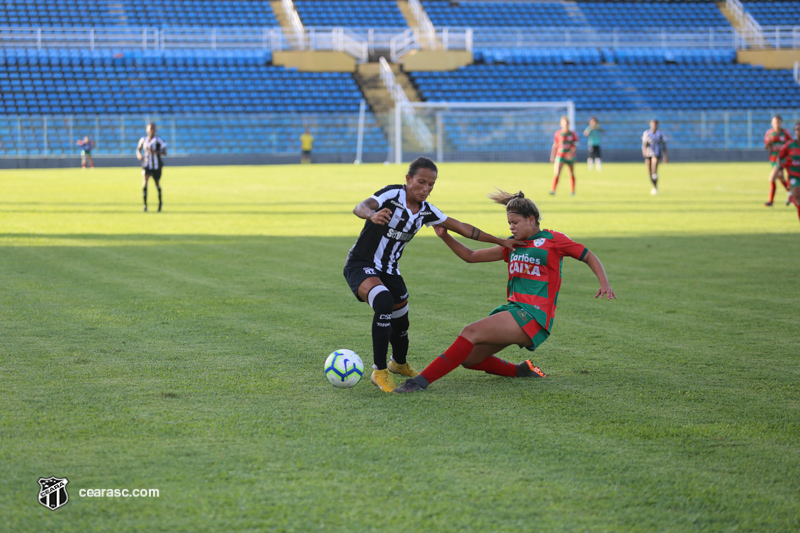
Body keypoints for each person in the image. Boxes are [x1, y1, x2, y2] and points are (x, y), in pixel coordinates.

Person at [394, 189, 616, 394]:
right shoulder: (512, 245)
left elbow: (588, 255)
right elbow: (471, 256)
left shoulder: (553, 240)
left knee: (470, 332)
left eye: (515, 222)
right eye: (509, 223)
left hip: (534, 314)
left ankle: (419, 382)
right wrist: (445, 236)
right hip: (514, 310)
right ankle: (521, 370)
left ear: (532, 219)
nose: (511, 227)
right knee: (470, 359)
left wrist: (604, 282)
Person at [344, 157, 524, 393]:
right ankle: (379, 371)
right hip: (362, 264)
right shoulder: (391, 195)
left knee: (401, 321)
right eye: (421, 182)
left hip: (390, 271)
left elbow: (462, 227)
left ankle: (398, 363)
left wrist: (500, 241)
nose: (426, 189)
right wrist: (371, 215)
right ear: (408, 179)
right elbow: (360, 206)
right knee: (384, 302)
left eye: (431, 185)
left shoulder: (426, 211)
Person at [135, 122, 167, 212]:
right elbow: (138, 149)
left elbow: (165, 152)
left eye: (153, 129)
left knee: (157, 184)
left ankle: (160, 203)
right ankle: (145, 206)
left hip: (156, 166)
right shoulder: (143, 140)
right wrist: (139, 155)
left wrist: (155, 152)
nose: (151, 131)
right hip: (146, 165)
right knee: (144, 182)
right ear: (147, 130)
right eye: (150, 129)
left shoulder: (158, 140)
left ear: (155, 130)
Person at [763, 115, 792, 207]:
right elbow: (766, 147)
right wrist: (768, 142)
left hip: (782, 159)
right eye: (775, 122)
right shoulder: (769, 133)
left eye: (778, 122)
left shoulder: (785, 133)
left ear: (781, 123)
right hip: (773, 159)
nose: (777, 124)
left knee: (772, 178)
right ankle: (792, 193)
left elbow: (792, 144)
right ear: (772, 123)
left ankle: (771, 201)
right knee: (781, 178)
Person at [549, 115, 578, 195]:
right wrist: (552, 156)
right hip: (560, 156)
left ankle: (572, 191)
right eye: (564, 123)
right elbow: (555, 145)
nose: (566, 125)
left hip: (569, 157)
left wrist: (571, 153)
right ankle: (553, 190)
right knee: (557, 173)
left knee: (571, 173)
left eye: (567, 123)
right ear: (561, 124)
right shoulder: (558, 134)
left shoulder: (572, 134)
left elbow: (575, 146)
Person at [778, 121, 800, 223]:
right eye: (797, 130)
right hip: (794, 176)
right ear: (795, 132)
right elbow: (780, 157)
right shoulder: (789, 145)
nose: (799, 132)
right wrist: (780, 169)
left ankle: (791, 197)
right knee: (798, 198)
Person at [642, 119, 667, 195]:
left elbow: (664, 145)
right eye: (652, 124)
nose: (654, 126)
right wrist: (644, 152)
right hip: (648, 154)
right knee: (649, 173)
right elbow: (644, 144)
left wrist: (665, 156)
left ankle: (655, 188)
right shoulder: (647, 133)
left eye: (655, 124)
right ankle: (654, 186)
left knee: (654, 170)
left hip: (656, 154)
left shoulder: (660, 133)